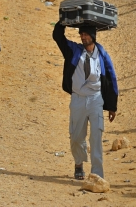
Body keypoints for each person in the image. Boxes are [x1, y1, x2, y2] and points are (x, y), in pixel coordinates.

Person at [52, 24, 119, 180]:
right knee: (76, 137)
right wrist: (62, 22)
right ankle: (79, 163)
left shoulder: (102, 54)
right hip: (78, 99)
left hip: (96, 99)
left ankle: (97, 173)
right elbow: (58, 37)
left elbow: (111, 78)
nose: (83, 37)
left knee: (96, 137)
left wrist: (112, 106)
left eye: (85, 35)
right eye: (81, 34)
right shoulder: (73, 50)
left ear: (93, 36)